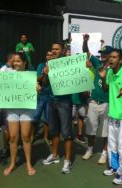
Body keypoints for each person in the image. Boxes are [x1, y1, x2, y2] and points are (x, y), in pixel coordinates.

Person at [101, 48, 122, 185]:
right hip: (112, 115)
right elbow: (106, 88)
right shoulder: (109, 71)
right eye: (110, 57)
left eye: (115, 57)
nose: (111, 59)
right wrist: (103, 78)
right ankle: (114, 167)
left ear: (121, 59)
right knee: (112, 144)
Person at [3, 52, 38, 176]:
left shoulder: (30, 76)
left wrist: (37, 89)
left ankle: (29, 163)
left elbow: (35, 92)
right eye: (14, 61)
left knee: (26, 136)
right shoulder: (7, 74)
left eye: (18, 61)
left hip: (26, 109)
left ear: (25, 63)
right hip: (12, 109)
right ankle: (12, 163)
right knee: (12, 137)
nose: (15, 63)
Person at [42, 41, 73, 174]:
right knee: (54, 131)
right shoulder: (48, 64)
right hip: (52, 101)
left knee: (66, 133)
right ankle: (55, 156)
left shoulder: (69, 63)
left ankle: (67, 161)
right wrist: (45, 74)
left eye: (57, 49)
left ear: (62, 50)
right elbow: (44, 84)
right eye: (52, 49)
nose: (54, 51)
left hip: (64, 102)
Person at [81, 34, 111, 164]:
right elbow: (86, 53)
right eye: (102, 53)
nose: (103, 56)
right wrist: (85, 41)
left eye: (106, 54)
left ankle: (104, 153)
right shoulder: (97, 63)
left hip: (107, 103)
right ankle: (90, 149)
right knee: (90, 127)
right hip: (93, 101)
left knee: (106, 130)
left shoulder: (114, 70)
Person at [34, 51, 52, 145]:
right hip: (41, 94)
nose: (49, 56)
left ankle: (46, 137)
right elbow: (37, 79)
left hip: (52, 95)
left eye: (51, 55)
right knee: (35, 116)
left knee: (47, 118)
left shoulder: (57, 65)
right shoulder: (41, 65)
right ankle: (32, 135)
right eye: (47, 55)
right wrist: (44, 74)